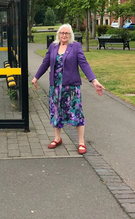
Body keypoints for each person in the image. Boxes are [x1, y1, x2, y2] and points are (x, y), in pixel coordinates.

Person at [32, 24, 104, 154]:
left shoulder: (75, 47)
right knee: (56, 111)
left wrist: (94, 81)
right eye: (62, 33)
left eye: (67, 33)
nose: (64, 35)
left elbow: (84, 64)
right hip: (56, 87)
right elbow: (45, 63)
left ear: (70, 35)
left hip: (71, 87)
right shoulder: (53, 47)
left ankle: (81, 142)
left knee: (76, 112)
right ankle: (57, 138)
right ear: (58, 34)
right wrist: (36, 77)